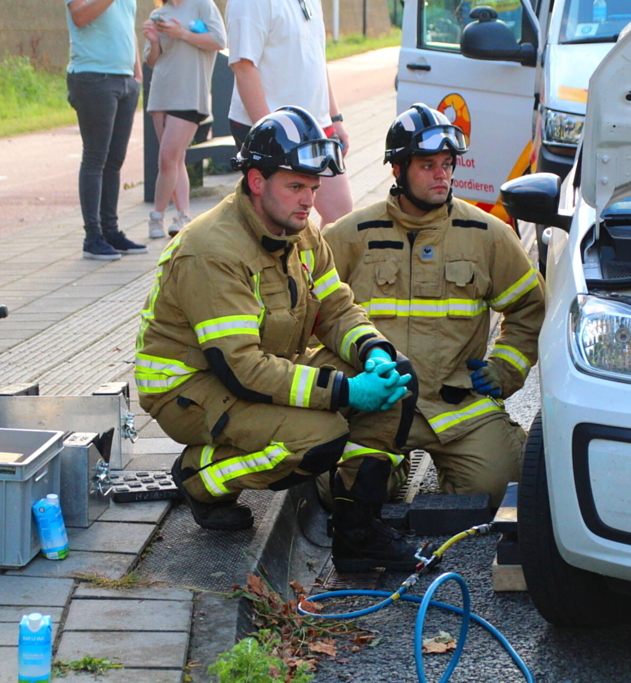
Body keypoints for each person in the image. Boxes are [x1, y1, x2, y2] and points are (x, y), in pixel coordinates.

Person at [135, 106, 420, 573]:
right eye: (295, 186)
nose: (309, 200)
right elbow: (241, 369)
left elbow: (336, 308)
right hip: (187, 389)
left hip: (253, 367)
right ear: (255, 181)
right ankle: (201, 477)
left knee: (398, 382)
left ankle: (358, 533)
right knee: (319, 438)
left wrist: (373, 351)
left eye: (313, 186)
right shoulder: (213, 250)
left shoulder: (300, 230)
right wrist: (345, 391)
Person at [324, 104, 546, 509]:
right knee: (346, 494)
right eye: (427, 165)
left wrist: (505, 369)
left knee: (500, 491)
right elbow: (313, 314)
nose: (442, 174)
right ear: (397, 169)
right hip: (377, 407)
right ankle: (382, 470)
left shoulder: (487, 235)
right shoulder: (350, 235)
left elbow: (530, 309)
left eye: (447, 163)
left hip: (456, 409)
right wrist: (343, 386)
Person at [224, 0, 354, 226]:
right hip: (272, 130)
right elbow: (243, 66)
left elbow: (317, 60)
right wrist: (269, 135)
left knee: (339, 213)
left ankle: (317, 262)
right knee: (277, 220)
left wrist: (334, 119)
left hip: (315, 125)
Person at [65, 0, 148, 260]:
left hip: (124, 80)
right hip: (93, 77)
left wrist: (136, 75)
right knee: (95, 158)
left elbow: (127, 27)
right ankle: (93, 237)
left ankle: (110, 232)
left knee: (114, 161)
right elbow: (79, 15)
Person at [142, 0, 226, 239]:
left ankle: (156, 216)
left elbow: (219, 41)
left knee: (167, 158)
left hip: (190, 95)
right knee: (176, 159)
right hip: (161, 93)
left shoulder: (203, 6)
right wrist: (154, 40)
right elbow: (152, 60)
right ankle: (183, 215)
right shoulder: (159, 13)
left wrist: (182, 33)